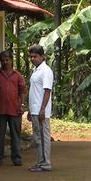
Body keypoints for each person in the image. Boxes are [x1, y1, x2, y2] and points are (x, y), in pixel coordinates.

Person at [0, 50, 26, 166]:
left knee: (16, 134)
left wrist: (22, 105)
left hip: (15, 109)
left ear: (11, 60)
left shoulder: (17, 75)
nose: (5, 62)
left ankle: (17, 158)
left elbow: (23, 91)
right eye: (3, 60)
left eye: (7, 60)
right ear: (0, 61)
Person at [27, 44, 54, 172]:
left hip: (41, 111)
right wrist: (30, 110)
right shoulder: (36, 70)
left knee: (43, 137)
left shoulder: (46, 71)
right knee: (37, 138)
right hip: (34, 110)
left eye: (35, 56)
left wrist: (42, 109)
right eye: (31, 57)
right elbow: (34, 92)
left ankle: (46, 163)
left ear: (42, 57)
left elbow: (47, 91)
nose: (33, 59)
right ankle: (40, 162)